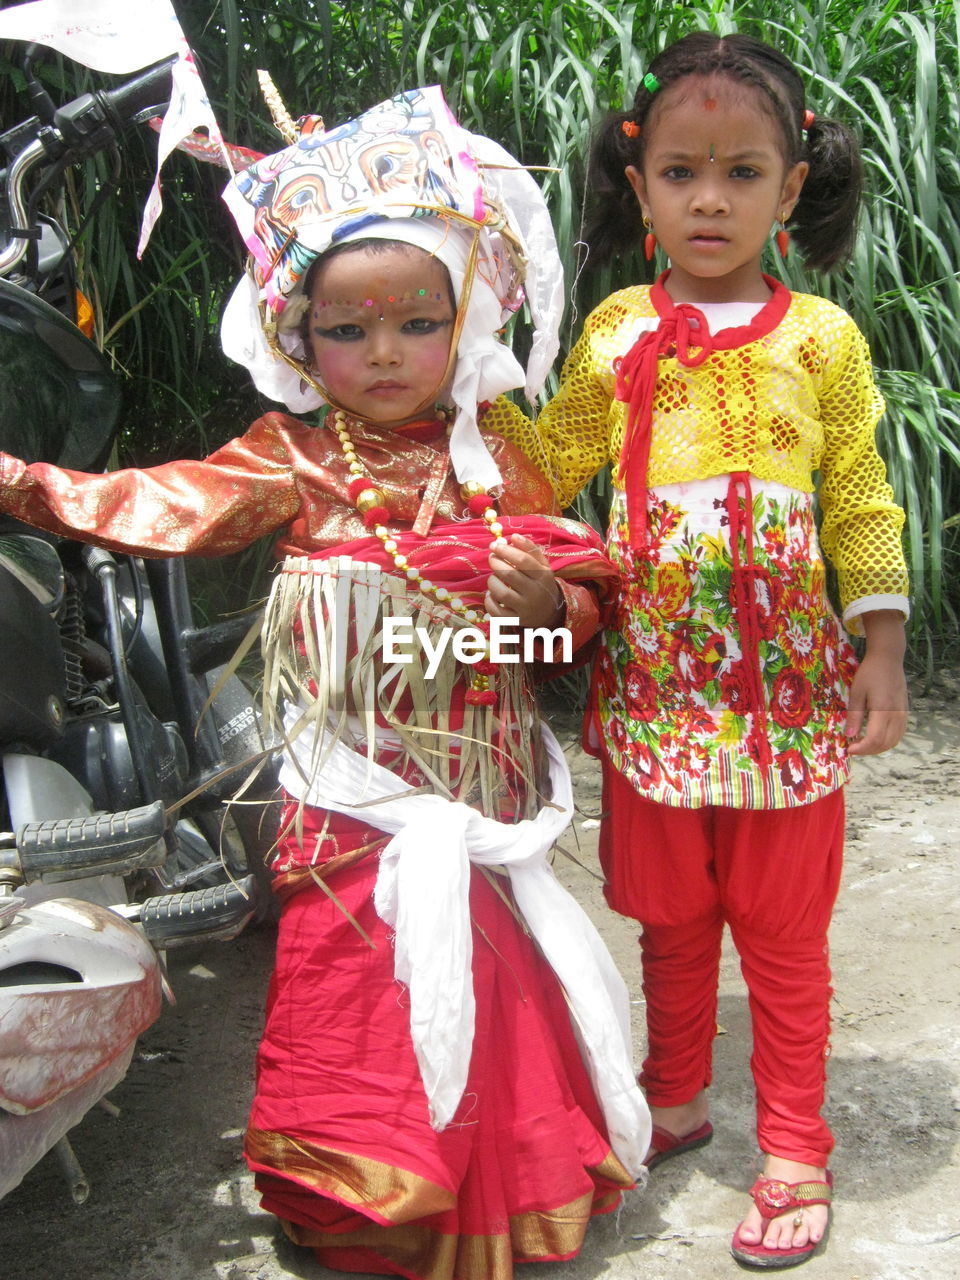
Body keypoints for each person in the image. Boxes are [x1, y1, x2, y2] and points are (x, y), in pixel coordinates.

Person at [0, 87, 653, 1277]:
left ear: (470, 318)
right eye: (350, 331)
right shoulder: (292, 454)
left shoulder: (501, 452)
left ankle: (501, 1192)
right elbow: (158, 501)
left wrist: (547, 608)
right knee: (354, 979)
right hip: (353, 795)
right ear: (298, 337)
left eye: (417, 322)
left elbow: (580, 625)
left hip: (483, 788)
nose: (386, 352)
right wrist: (24, 483)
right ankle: (362, 1200)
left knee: (495, 980)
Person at [497, 31, 909, 1272]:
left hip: (788, 699)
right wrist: (455, 382)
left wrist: (876, 646)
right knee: (668, 914)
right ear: (639, 189)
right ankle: (673, 1096)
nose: (711, 198)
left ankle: (793, 1143)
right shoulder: (620, 332)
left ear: (792, 188)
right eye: (682, 172)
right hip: (656, 688)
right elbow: (545, 463)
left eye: (742, 171)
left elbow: (860, 497)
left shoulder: (823, 341)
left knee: (782, 926)